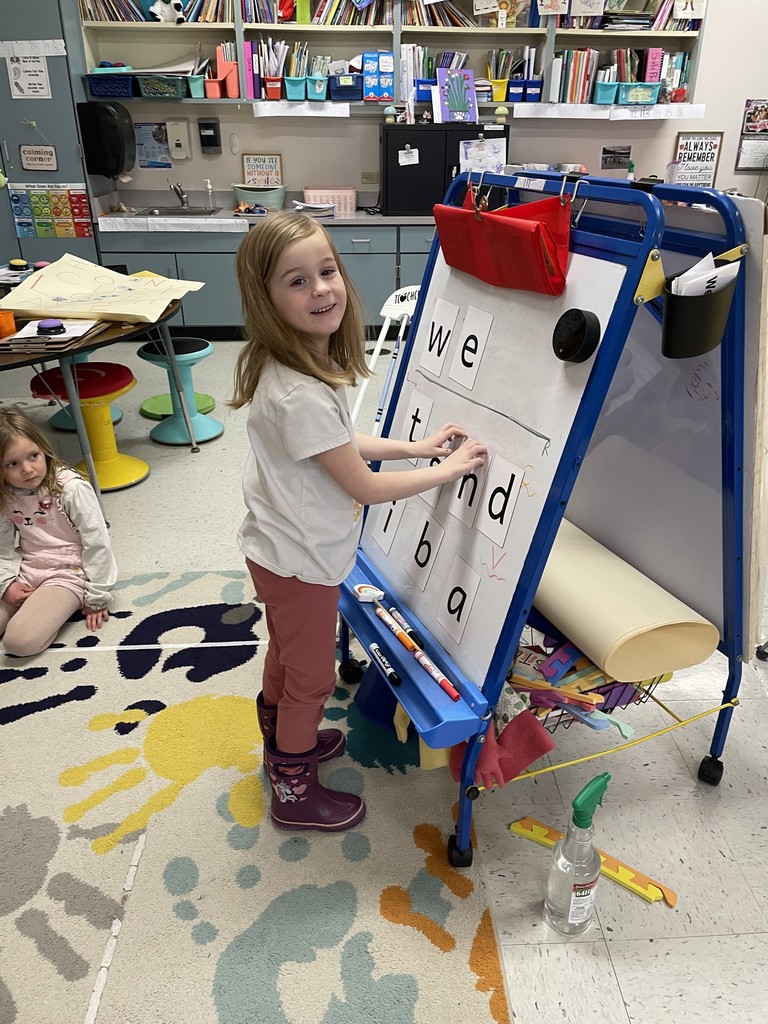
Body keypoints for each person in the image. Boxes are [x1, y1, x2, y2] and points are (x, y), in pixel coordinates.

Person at [232, 212, 488, 833]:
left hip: (279, 549)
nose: (320, 289)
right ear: (265, 300)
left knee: (290, 659)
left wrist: (419, 447)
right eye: (296, 282)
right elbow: (363, 485)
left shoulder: (291, 368)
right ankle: (292, 784)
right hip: (301, 561)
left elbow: (344, 444)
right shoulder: (298, 391)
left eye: (327, 271)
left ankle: (281, 747)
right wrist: (446, 469)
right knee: (312, 678)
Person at [0, 408, 117, 657]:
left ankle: (49, 611)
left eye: (33, 456)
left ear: (44, 449)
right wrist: (6, 584)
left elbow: (97, 543)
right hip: (27, 568)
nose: (28, 469)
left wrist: (97, 596)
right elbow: (3, 547)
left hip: (68, 571)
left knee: (18, 643)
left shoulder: (71, 489)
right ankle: (39, 610)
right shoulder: (5, 494)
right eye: (13, 464)